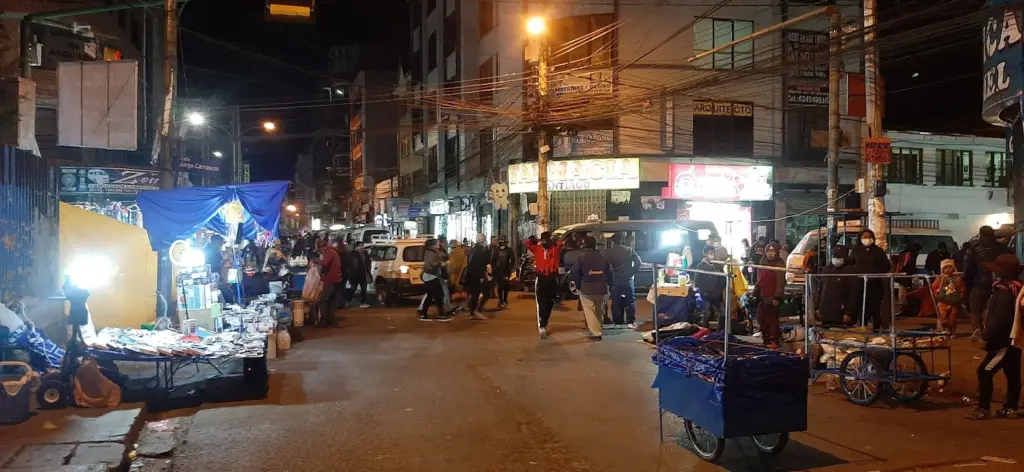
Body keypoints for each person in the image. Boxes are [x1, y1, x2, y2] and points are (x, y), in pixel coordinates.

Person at [967, 253, 1022, 420]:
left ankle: (983, 408)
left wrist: (986, 336)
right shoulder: (1016, 288)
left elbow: (1000, 319)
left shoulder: (1005, 291)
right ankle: (1010, 408)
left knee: (984, 371)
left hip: (1003, 342)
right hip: (1014, 340)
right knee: (1012, 374)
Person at [964, 226, 1012, 341]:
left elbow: (967, 268)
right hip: (999, 283)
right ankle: (988, 330)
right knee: (992, 308)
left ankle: (977, 328)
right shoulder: (1003, 248)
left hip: (979, 282)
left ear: (980, 234)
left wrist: (968, 284)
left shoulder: (973, 248)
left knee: (976, 308)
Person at [524, 231, 563, 339]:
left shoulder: (555, 248)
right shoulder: (538, 249)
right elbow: (527, 243)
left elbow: (561, 243)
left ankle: (545, 322)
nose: (545, 242)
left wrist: (553, 240)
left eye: (547, 240)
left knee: (550, 304)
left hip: (552, 279)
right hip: (541, 279)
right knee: (541, 304)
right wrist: (536, 240)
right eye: (544, 240)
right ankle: (542, 326)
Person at [574, 236, 613, 341]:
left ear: (584, 244)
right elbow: (610, 273)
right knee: (599, 310)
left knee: (589, 311)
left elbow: (577, 272)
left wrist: (577, 286)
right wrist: (610, 286)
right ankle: (598, 327)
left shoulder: (581, 257)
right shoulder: (603, 257)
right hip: (602, 288)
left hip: (587, 288)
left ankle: (596, 333)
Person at [851, 229, 891, 330]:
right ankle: (862, 329)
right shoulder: (855, 251)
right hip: (859, 285)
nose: (867, 239)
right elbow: (850, 265)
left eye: (869, 237)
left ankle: (877, 330)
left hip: (875, 285)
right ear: (860, 239)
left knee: (875, 309)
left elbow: (886, 266)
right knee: (861, 309)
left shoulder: (879, 251)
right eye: (864, 237)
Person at [815, 245, 860, 326]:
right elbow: (820, 290)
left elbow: (854, 294)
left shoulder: (851, 271)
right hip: (826, 314)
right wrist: (817, 308)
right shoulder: (826, 270)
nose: (837, 259)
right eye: (835, 256)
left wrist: (850, 313)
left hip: (842, 316)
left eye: (839, 256)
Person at [606, 234, 643, 329]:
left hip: (615, 279)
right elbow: (638, 263)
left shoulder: (608, 252)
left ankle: (617, 320)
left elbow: (605, 266)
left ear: (613, 242)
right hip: (628, 279)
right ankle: (630, 320)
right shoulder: (629, 250)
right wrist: (630, 272)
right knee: (630, 300)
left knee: (615, 300)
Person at [755, 242, 785, 347]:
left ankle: (773, 341)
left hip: (773, 297)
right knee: (761, 317)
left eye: (773, 251)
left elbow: (781, 282)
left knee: (772, 319)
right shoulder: (763, 262)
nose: (770, 254)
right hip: (763, 295)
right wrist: (755, 292)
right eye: (768, 251)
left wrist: (777, 296)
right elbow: (759, 279)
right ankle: (766, 338)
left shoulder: (779, 264)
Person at [419, 238, 452, 322]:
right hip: (431, 276)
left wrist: (443, 250)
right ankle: (440, 315)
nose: (439, 244)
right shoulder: (431, 252)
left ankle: (424, 313)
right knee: (438, 296)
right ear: (434, 244)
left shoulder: (434, 251)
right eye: (437, 243)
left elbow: (446, 256)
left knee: (431, 296)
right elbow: (434, 264)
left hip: (433, 276)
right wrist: (443, 264)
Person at [694, 245, 727, 328]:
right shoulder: (700, 266)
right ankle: (705, 332)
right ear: (705, 254)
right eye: (711, 253)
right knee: (707, 313)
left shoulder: (717, 266)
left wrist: (720, 290)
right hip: (706, 295)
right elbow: (697, 281)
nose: (713, 255)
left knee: (723, 311)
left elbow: (723, 279)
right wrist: (704, 292)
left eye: (713, 253)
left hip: (717, 295)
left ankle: (721, 332)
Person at [312, 239, 343, 327]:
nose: (320, 252)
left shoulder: (329, 252)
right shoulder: (333, 251)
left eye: (319, 250)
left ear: (322, 247)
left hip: (331, 279)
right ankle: (331, 320)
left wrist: (316, 261)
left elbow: (325, 263)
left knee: (324, 300)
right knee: (330, 300)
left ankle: (324, 321)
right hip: (336, 279)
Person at [933, 258, 966, 336]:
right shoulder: (940, 279)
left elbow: (962, 289)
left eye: (950, 267)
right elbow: (934, 288)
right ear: (942, 269)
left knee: (953, 318)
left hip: (953, 303)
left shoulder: (957, 278)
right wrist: (938, 295)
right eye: (945, 268)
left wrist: (960, 297)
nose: (948, 270)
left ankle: (952, 331)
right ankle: (942, 330)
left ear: (953, 268)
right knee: (942, 317)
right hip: (942, 303)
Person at [463, 233, 491, 320]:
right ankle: (474, 310)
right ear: (482, 241)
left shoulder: (473, 250)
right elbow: (478, 265)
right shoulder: (480, 252)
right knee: (479, 293)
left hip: (472, 275)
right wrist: (481, 276)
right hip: (477, 276)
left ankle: (473, 310)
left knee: (477, 293)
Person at [491, 236, 516, 308]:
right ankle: (501, 300)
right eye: (500, 241)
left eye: (502, 241)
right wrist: (494, 268)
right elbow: (493, 260)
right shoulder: (495, 250)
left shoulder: (509, 250)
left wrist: (510, 268)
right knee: (500, 286)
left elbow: (513, 260)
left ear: (505, 241)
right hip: (498, 271)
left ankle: (505, 299)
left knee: (506, 286)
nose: (501, 242)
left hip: (506, 271)